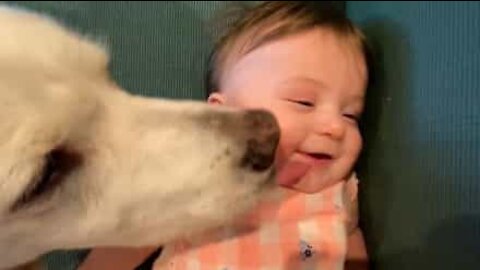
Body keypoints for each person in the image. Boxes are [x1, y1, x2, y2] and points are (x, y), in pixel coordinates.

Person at [80, 1, 369, 269]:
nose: (335, 127)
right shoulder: (198, 183)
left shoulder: (338, 196)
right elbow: (134, 235)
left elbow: (352, 251)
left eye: (351, 115)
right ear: (223, 118)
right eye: (304, 102)